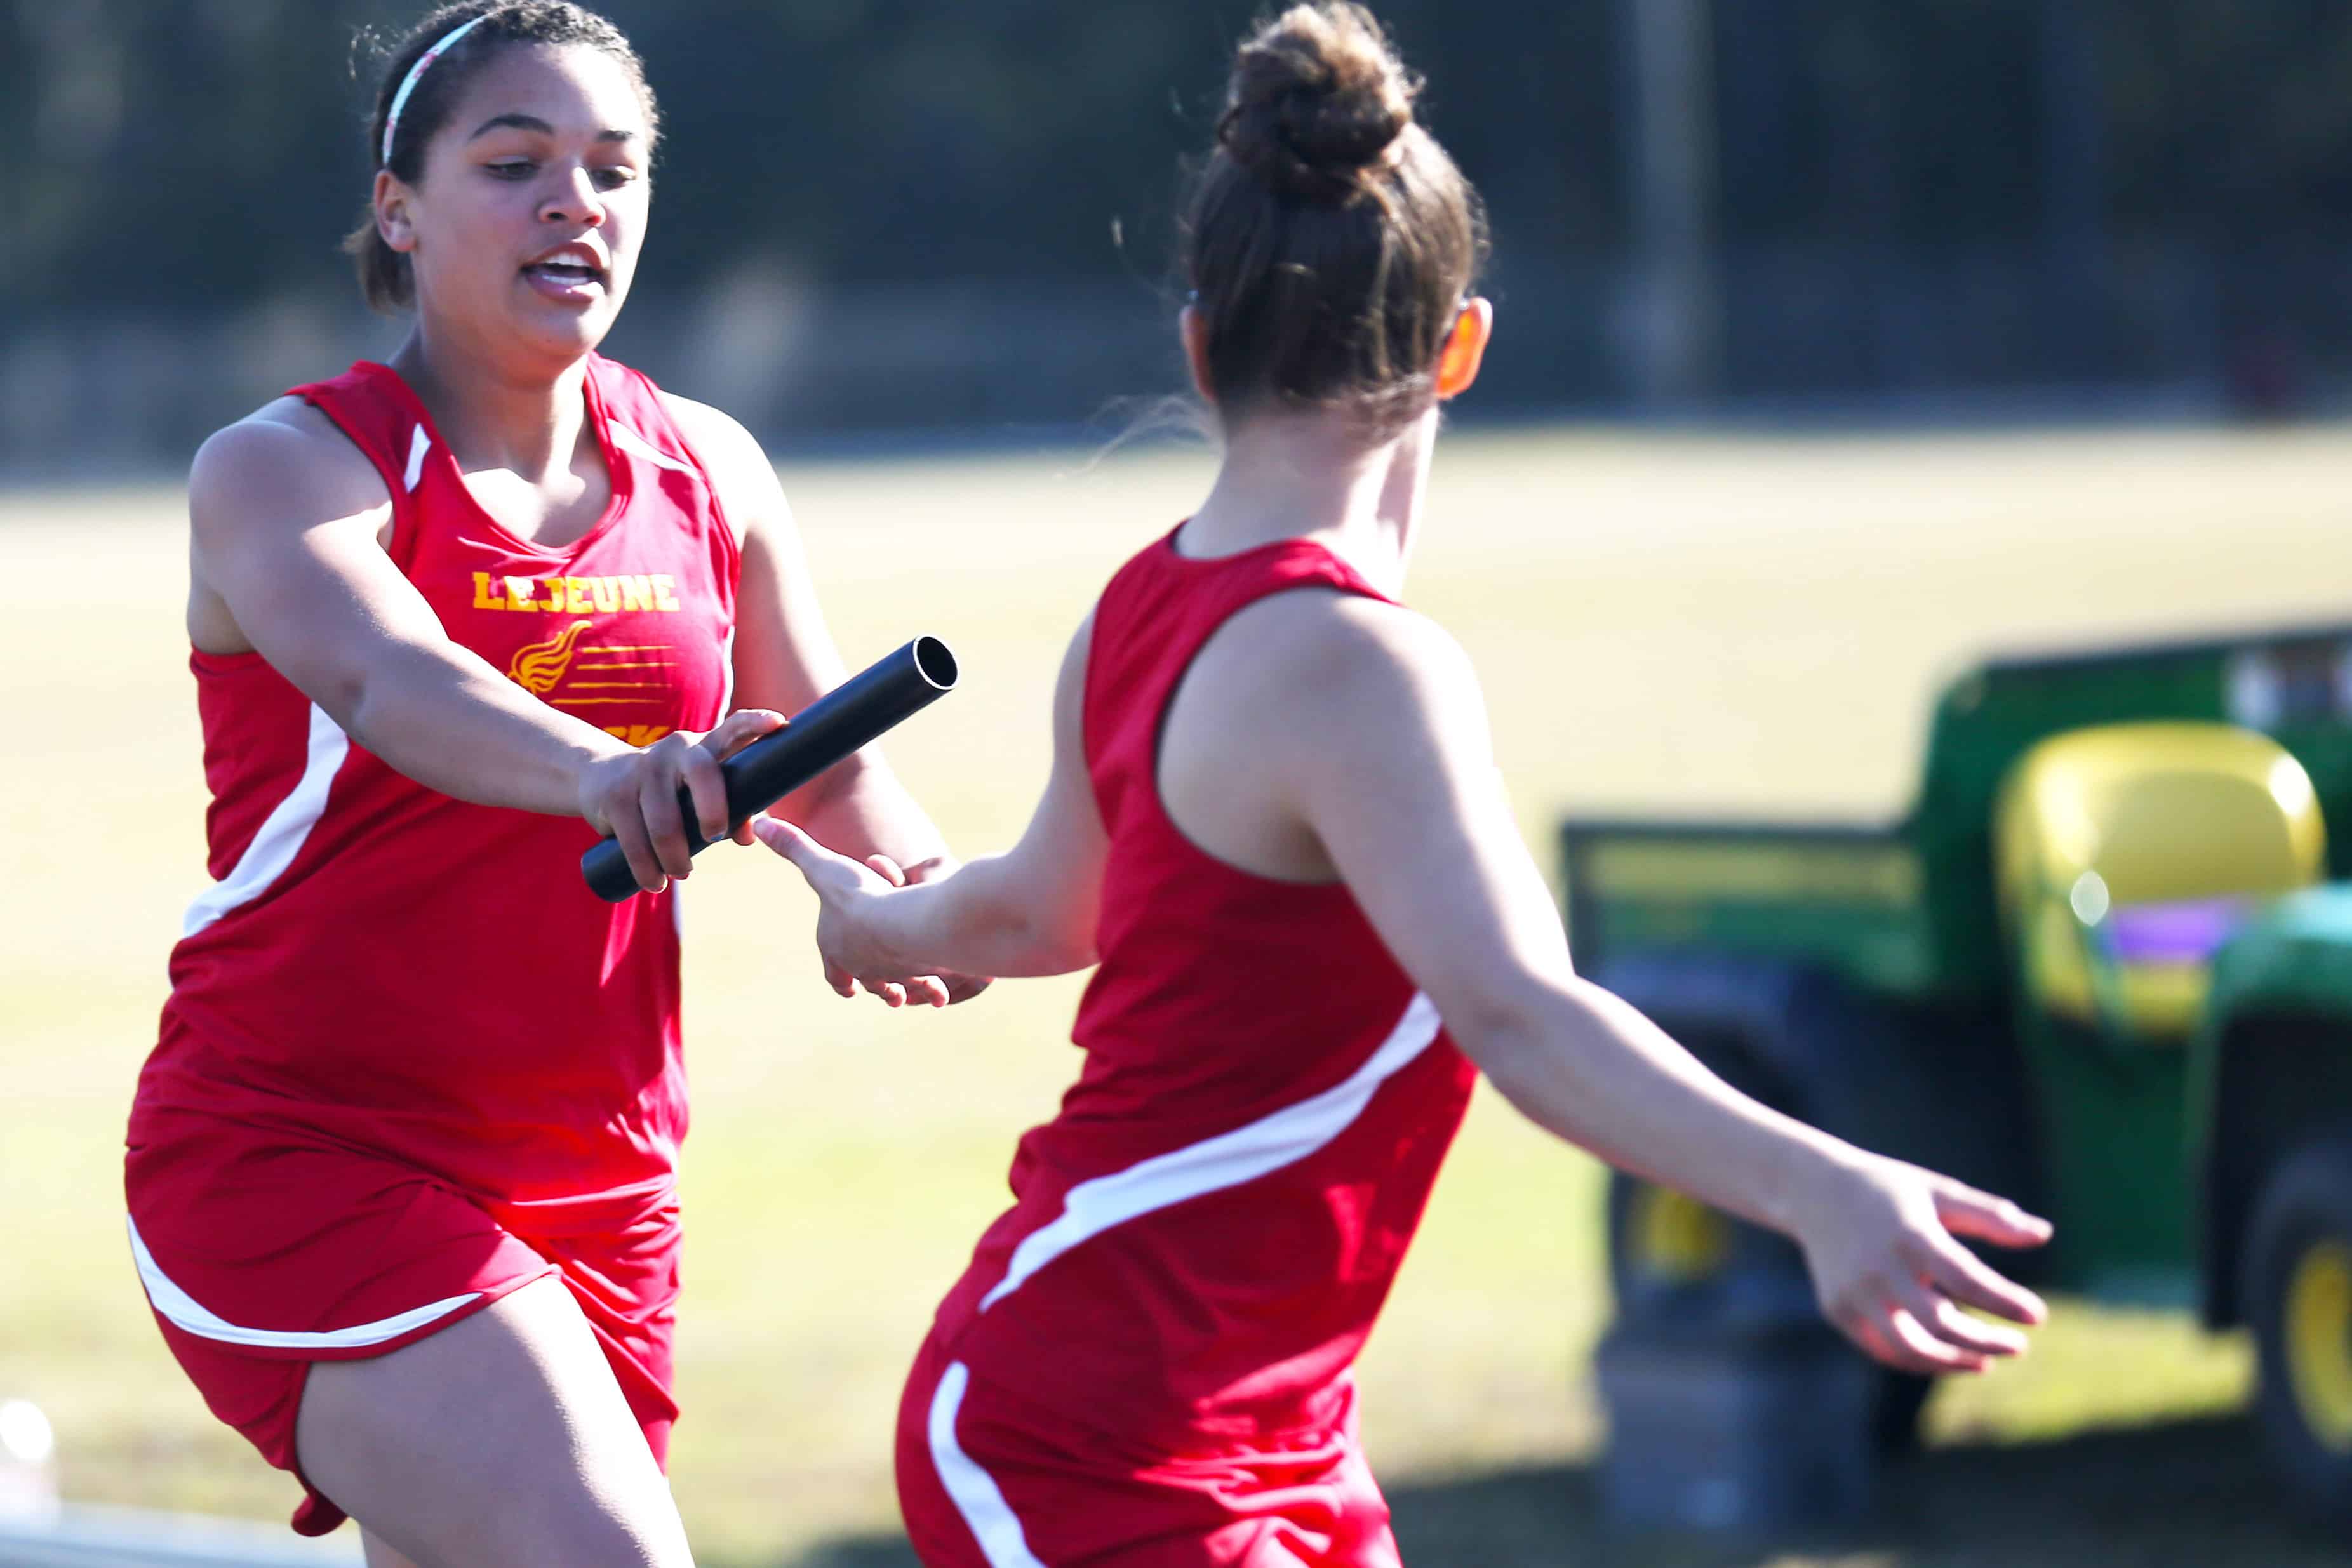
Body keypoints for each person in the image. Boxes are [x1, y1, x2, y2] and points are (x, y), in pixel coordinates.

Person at [755, 6, 2054, 1564]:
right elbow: (1519, 1014)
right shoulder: (1360, 668)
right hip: (1087, 1447)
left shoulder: (1143, 607)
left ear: (1196, 341)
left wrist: (873, 928)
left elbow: (1034, 908)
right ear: (1460, 345)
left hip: (1267, 1436)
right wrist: (1822, 1184)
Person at [125, 5, 973, 1564]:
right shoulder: (288, 466)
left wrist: (930, 904)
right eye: (515, 163)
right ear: (399, 208)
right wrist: (608, 772)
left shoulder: (710, 464)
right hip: (301, 1149)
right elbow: (394, 681)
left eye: (613, 167)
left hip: (602, 1178)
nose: (574, 200)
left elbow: (830, 761)